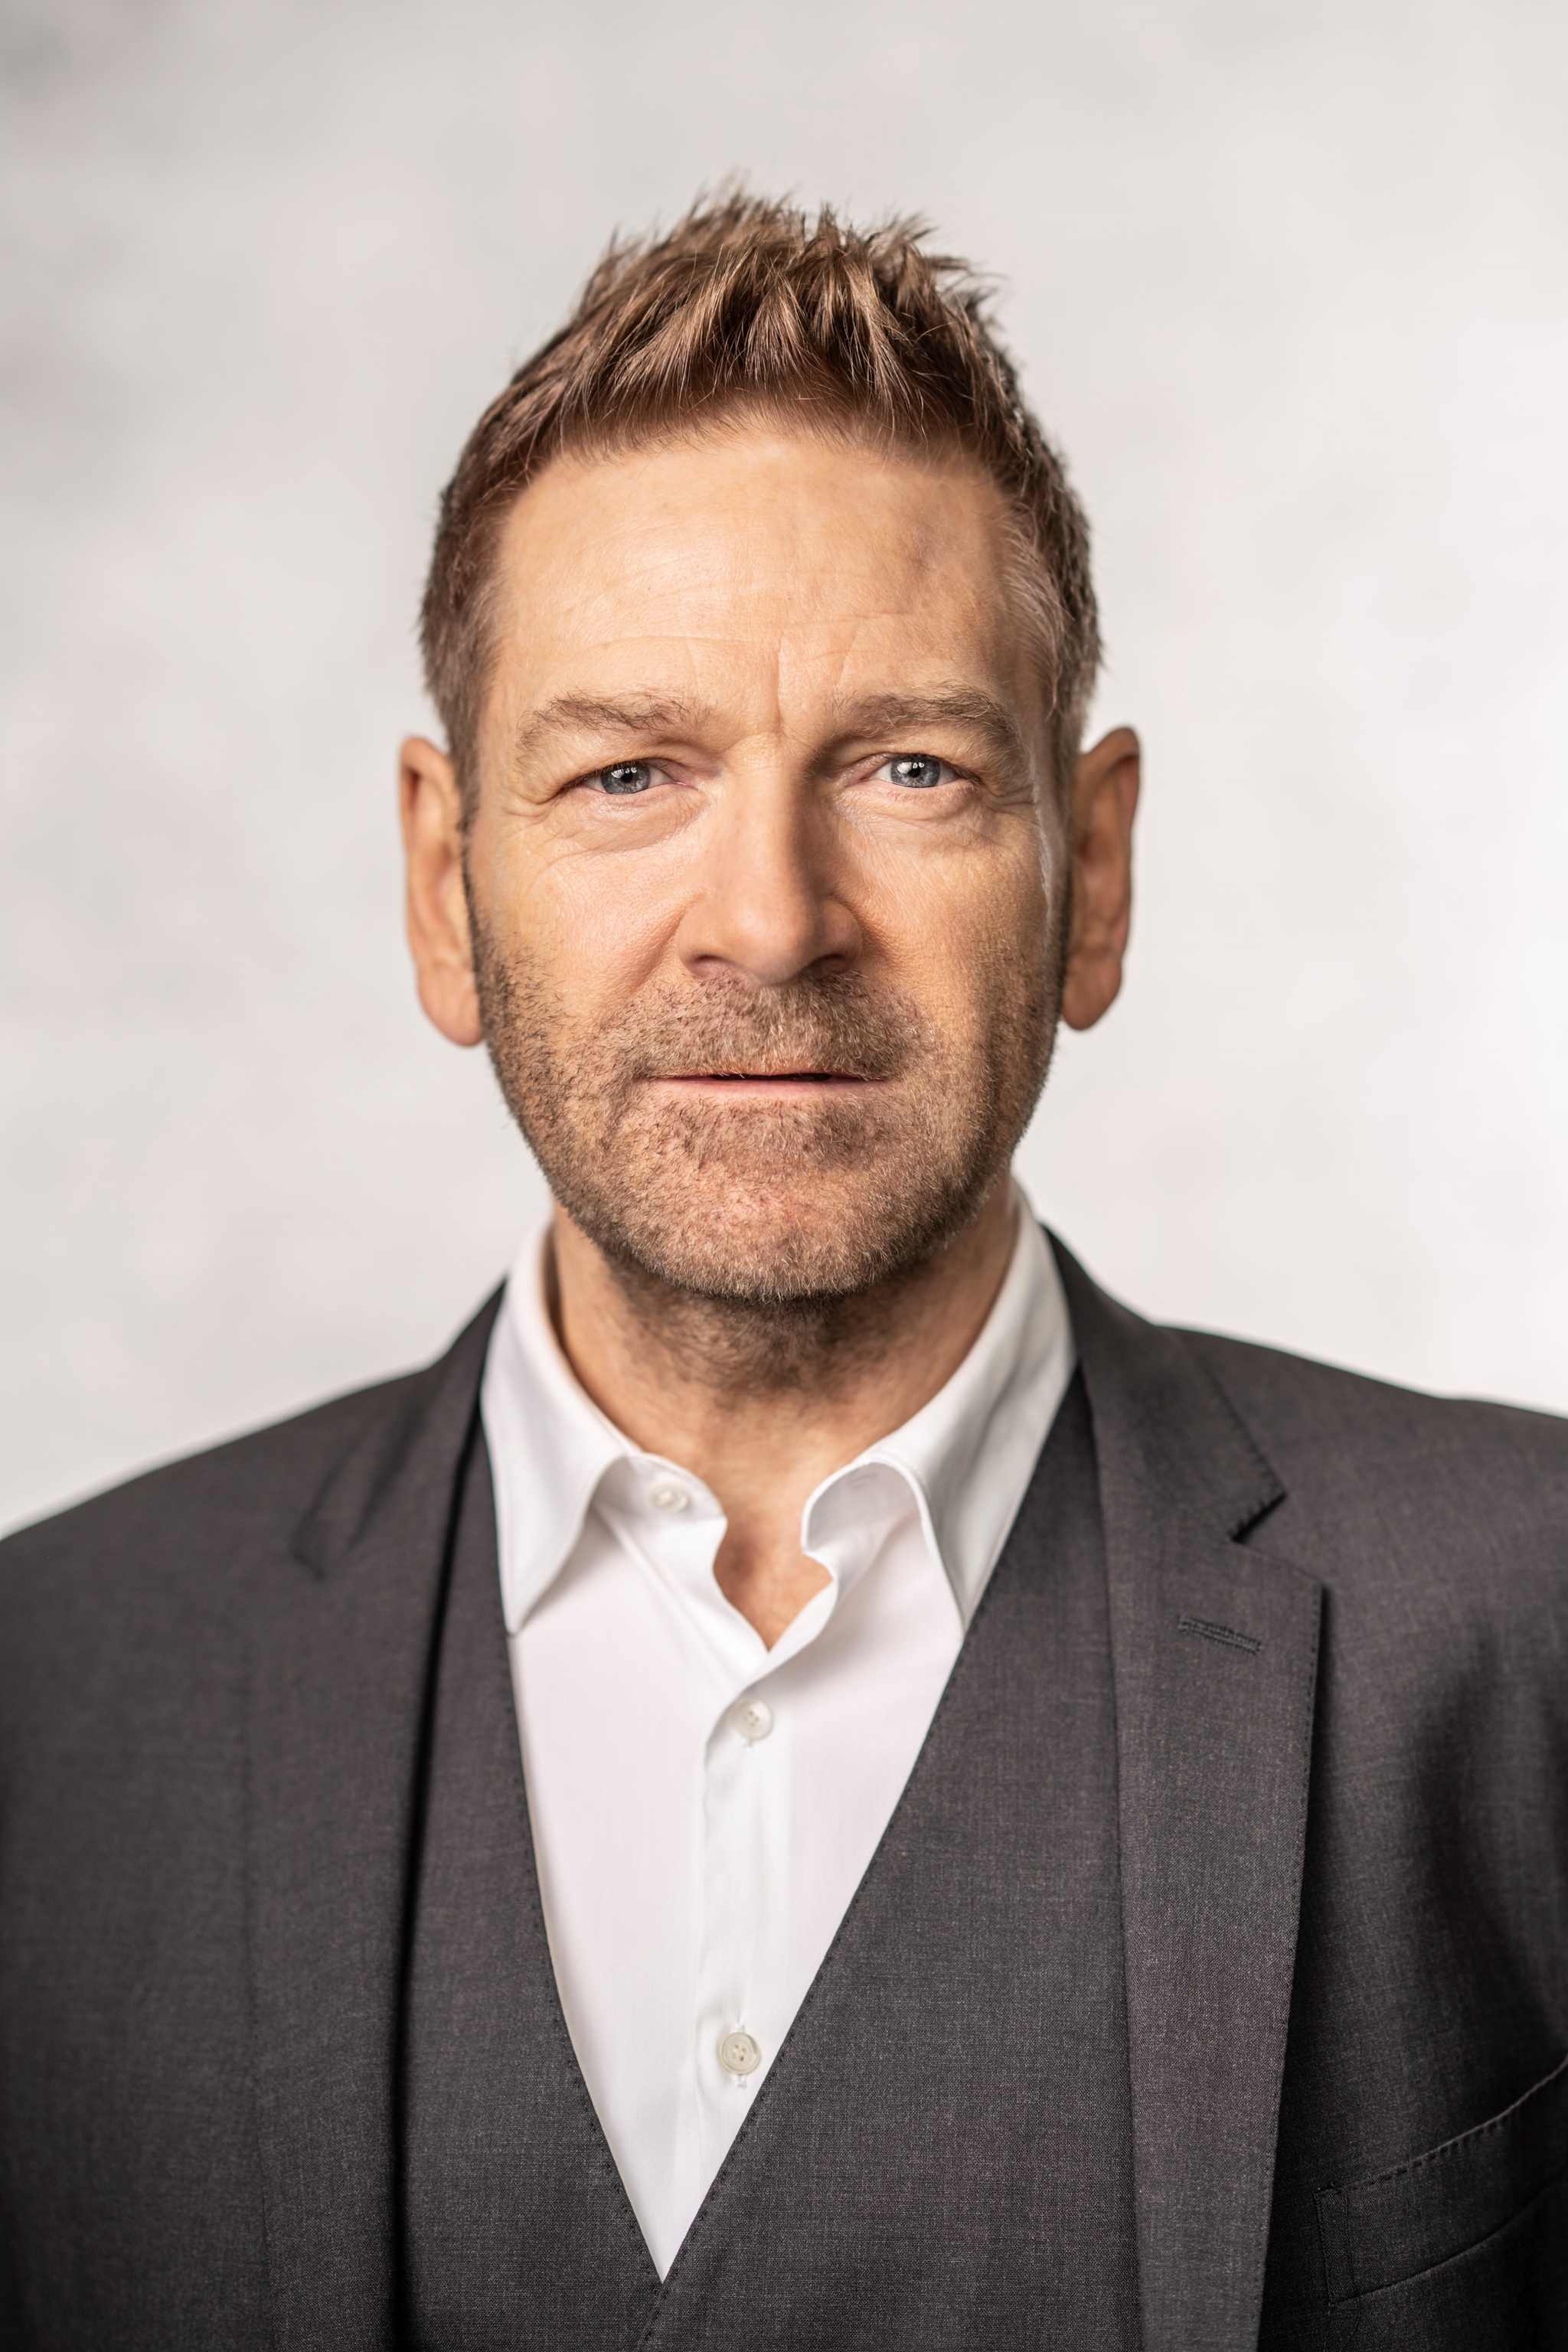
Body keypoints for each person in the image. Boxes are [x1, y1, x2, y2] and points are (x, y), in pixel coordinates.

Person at [1, 193, 1563, 2352]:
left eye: (908, 768)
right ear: (449, 886)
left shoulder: (1526, 1625)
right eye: (629, 771)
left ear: (1090, 877)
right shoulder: (49, 1705)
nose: (770, 918)